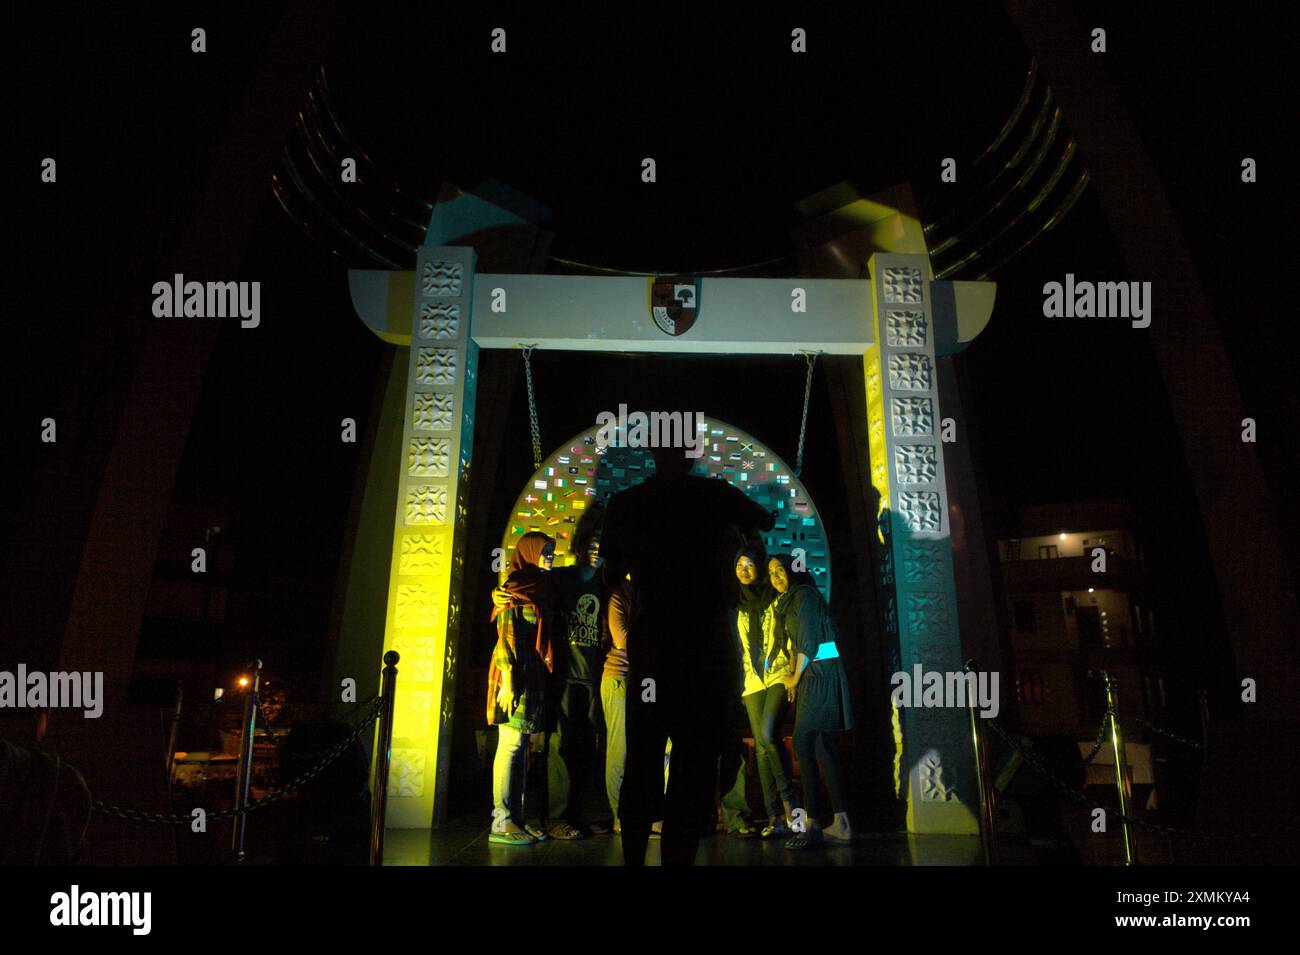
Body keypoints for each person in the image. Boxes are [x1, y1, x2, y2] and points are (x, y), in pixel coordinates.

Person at [601, 444, 775, 865]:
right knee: (692, 764)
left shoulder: (627, 503)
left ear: (652, 454)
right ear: (692, 454)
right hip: (705, 650)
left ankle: (633, 857)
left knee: (643, 757)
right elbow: (765, 519)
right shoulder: (715, 496)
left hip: (654, 648)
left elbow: (610, 573)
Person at [768, 553, 854, 849]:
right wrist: (795, 677)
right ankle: (841, 822)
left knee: (805, 742)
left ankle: (814, 822)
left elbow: (807, 642)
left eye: (780, 570)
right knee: (821, 746)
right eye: (771, 573)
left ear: (793, 571)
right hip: (816, 674)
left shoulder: (803, 597)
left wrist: (793, 678)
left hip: (818, 673)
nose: (775, 576)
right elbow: (800, 643)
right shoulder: (796, 598)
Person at [541, 506, 610, 838]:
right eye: (593, 544)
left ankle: (577, 813)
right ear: (582, 545)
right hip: (565, 676)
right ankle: (558, 818)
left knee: (585, 749)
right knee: (561, 747)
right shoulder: (563, 579)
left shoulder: (605, 585)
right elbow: (527, 596)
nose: (597, 552)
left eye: (602, 547)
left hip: (594, 678)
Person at [486, 532, 556, 846]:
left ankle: (517, 818)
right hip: (514, 676)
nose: (550, 557)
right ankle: (501, 820)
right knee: (510, 744)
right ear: (529, 552)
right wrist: (509, 676)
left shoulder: (540, 586)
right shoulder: (514, 586)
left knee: (522, 745)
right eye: (545, 552)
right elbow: (506, 634)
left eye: (552, 552)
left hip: (532, 675)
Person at [735, 547, 800, 838]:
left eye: (750, 564)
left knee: (768, 734)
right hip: (752, 680)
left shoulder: (776, 598)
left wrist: (795, 676)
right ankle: (774, 816)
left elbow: (793, 635)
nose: (745, 570)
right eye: (739, 565)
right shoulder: (735, 603)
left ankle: (793, 808)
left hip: (778, 673)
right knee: (761, 747)